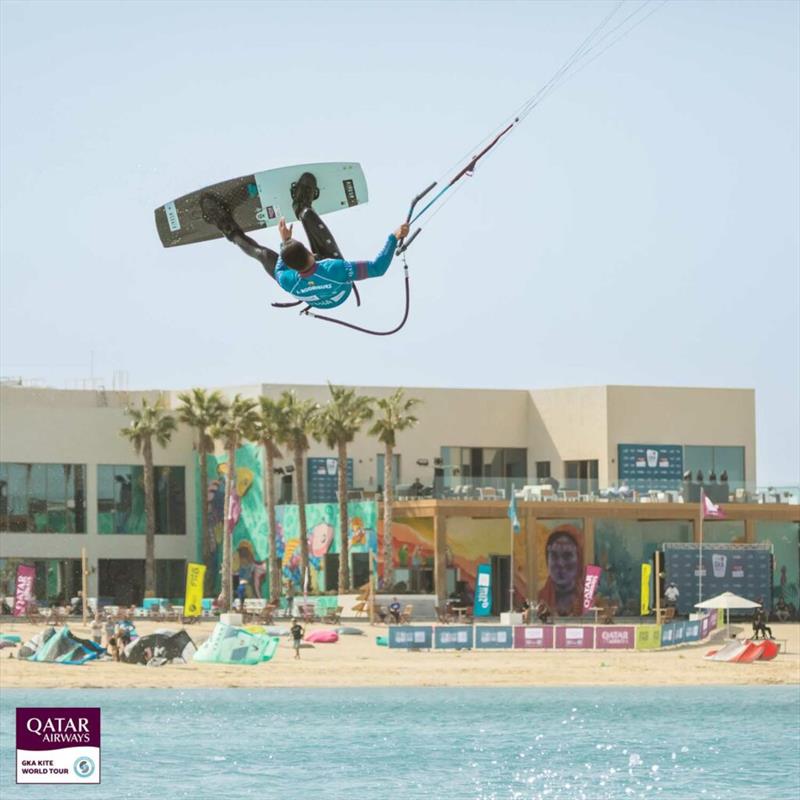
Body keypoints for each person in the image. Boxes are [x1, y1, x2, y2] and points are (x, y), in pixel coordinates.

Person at [200, 173, 410, 310]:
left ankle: (228, 226)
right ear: (312, 255)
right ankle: (302, 207)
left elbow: (283, 262)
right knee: (308, 217)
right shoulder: (334, 268)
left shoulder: (287, 279)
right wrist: (394, 237)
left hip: (321, 287)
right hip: (336, 290)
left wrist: (285, 242)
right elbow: (377, 268)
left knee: (263, 256)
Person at [537, 526, 584, 616]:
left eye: (567, 555)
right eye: (554, 555)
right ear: (547, 559)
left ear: (580, 559)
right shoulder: (539, 600)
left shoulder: (590, 599)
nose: (561, 564)